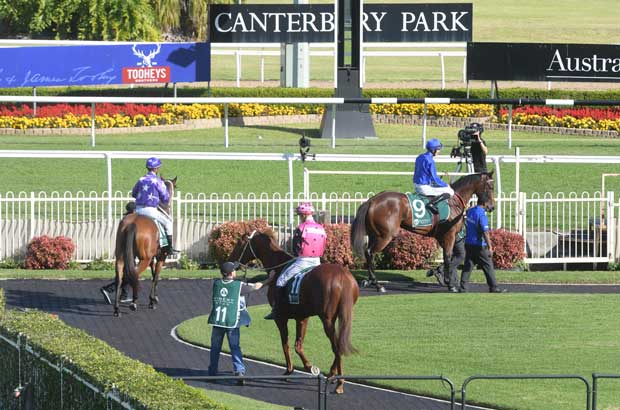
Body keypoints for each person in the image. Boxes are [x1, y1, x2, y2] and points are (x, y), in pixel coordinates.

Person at [208, 261, 274, 385]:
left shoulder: (215, 283)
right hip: (232, 322)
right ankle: (239, 371)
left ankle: (212, 372)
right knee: (235, 347)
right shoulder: (239, 286)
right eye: (234, 270)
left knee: (215, 348)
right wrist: (269, 280)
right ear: (231, 272)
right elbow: (255, 286)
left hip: (217, 322)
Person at [264, 202, 326, 320]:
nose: (299, 217)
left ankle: (277, 309)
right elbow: (323, 245)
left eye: (299, 215)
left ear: (303, 215)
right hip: (317, 261)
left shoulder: (301, 228)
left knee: (281, 280)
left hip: (303, 261)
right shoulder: (321, 228)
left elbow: (296, 248)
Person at [459, 193, 506, 293]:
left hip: (468, 243)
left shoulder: (471, 211)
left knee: (468, 266)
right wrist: (490, 246)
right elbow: (485, 231)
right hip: (480, 245)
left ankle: (463, 287)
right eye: (488, 203)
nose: (489, 206)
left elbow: (466, 214)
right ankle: (494, 287)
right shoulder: (481, 214)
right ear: (484, 203)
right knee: (488, 266)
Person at [131, 157, 179, 256]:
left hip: (137, 209)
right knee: (168, 222)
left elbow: (133, 193)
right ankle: (169, 249)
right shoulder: (158, 181)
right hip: (150, 210)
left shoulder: (141, 179)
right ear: (157, 169)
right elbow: (165, 197)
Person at [414, 138, 455, 214]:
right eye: (438, 149)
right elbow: (435, 178)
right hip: (424, 187)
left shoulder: (419, 157)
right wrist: (445, 184)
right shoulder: (430, 161)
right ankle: (432, 203)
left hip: (416, 184)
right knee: (450, 191)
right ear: (433, 150)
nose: (439, 151)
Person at [426, 225, 465, 293]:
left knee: (452, 258)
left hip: (452, 234)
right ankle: (442, 271)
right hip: (455, 234)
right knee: (461, 255)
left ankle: (448, 279)